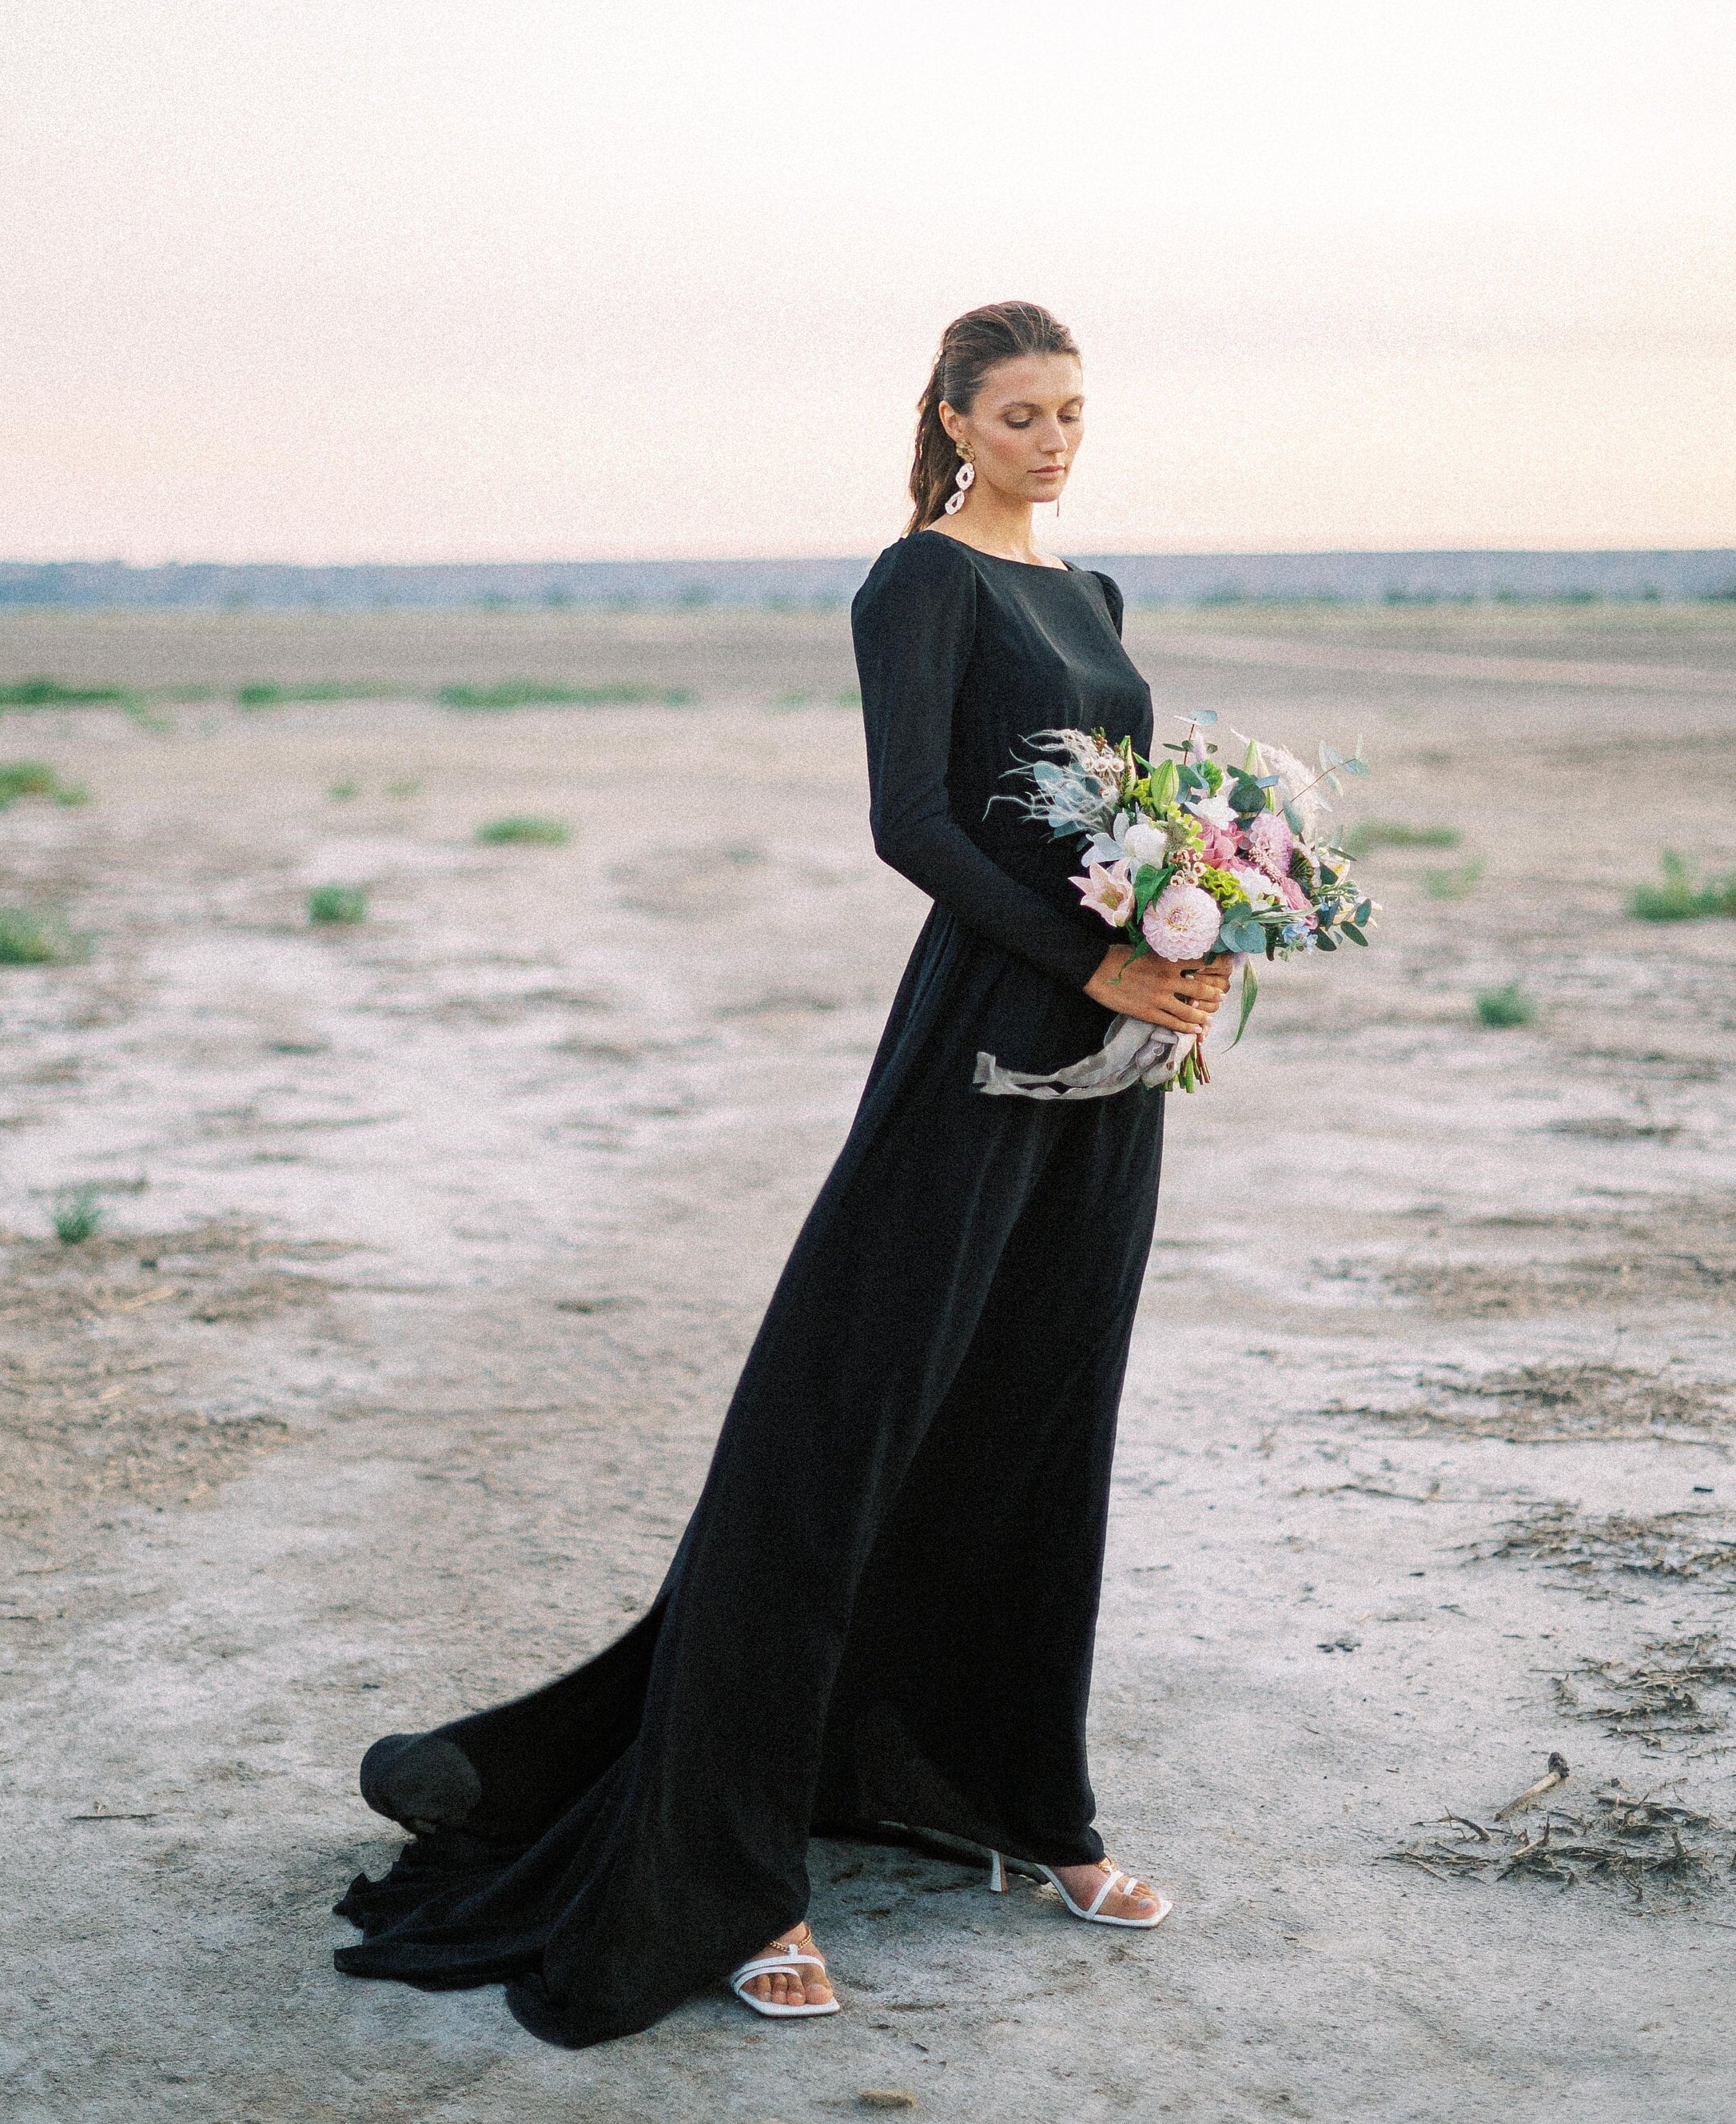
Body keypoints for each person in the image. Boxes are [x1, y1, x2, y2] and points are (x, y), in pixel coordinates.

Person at [333, 299, 1232, 2046]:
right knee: (848, 1431)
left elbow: (1122, 811)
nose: (1054, 441)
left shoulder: (1091, 598)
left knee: (1046, 1421)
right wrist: (1094, 958)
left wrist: (1192, 943)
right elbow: (915, 821)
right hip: (983, 1033)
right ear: (956, 422)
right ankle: (732, 1873)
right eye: (1022, 414)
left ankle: (1031, 1813)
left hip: (1119, 1067)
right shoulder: (920, 585)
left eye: (1072, 412)